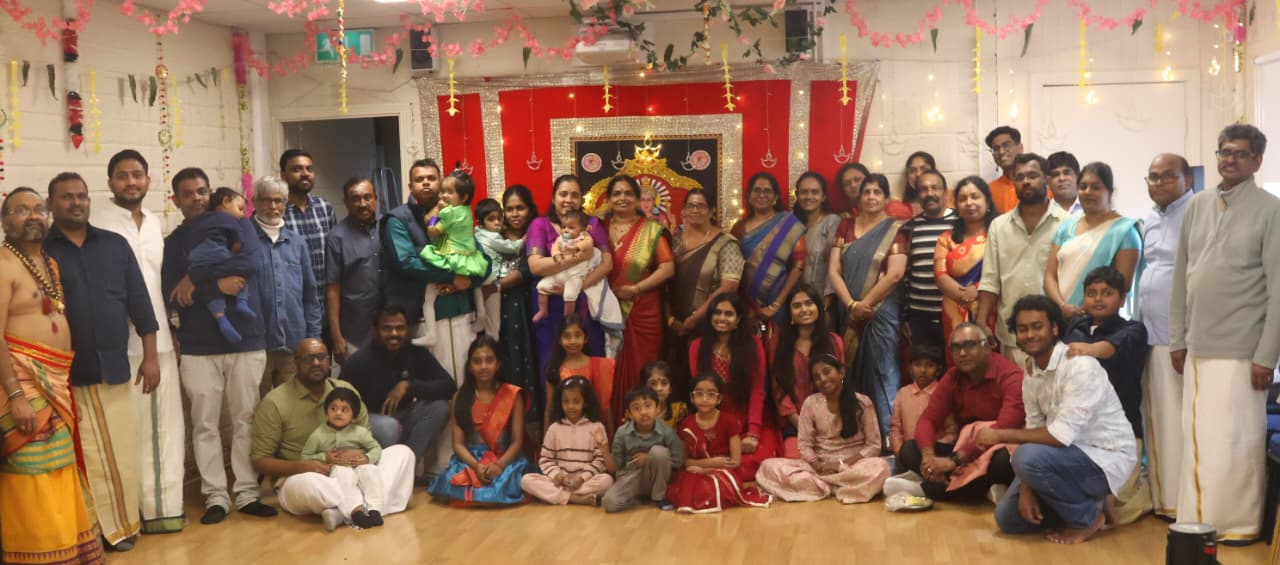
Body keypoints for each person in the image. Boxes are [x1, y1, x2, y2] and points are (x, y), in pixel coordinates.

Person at [1170, 124, 1278, 543]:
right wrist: (1178, 338)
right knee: (1198, 439)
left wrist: (1266, 356)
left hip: (1242, 350)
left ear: (1257, 161)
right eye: (1224, 151)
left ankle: (1236, 525)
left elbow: (1279, 290)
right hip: (1197, 346)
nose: (1229, 159)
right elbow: (1182, 277)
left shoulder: (1271, 210)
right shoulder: (1198, 204)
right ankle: (1197, 522)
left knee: (1234, 442)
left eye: (1239, 153)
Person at [43, 173, 160, 552]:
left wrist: (151, 357)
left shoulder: (114, 245)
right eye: (66, 197)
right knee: (88, 456)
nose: (76, 203)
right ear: (51, 203)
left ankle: (124, 525)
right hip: (66, 374)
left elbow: (140, 303)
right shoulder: (41, 251)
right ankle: (95, 532)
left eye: (81, 196)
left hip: (114, 366)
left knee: (123, 452)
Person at [162, 168, 276, 524]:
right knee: (205, 424)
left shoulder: (239, 224)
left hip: (246, 340)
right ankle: (215, 496)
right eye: (187, 193)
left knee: (245, 419)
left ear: (210, 193)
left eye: (201, 191)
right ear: (176, 200)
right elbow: (173, 294)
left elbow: (250, 262)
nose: (196, 198)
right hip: (198, 346)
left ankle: (247, 492)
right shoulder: (175, 242)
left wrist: (195, 276)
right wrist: (216, 287)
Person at [0, 187, 106, 564]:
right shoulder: (3, 264)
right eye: (21, 210)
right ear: (5, 221)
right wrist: (14, 394)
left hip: (55, 380)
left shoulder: (49, 262)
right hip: (21, 381)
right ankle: (36, 553)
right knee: (32, 467)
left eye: (37, 209)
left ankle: (65, 548)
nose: (32, 215)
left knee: (60, 464)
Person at [989, 295, 1137, 545]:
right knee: (1009, 520)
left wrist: (1001, 435)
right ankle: (1090, 503)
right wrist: (1026, 486)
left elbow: (1058, 436)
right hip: (1063, 457)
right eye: (1023, 329)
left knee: (1026, 456)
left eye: (1037, 327)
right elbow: (1035, 428)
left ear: (1054, 328)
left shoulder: (1079, 366)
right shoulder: (1031, 370)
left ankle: (1087, 518)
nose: (1030, 335)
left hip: (1104, 458)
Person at [95, 150, 185, 533]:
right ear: (110, 182)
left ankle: (164, 510)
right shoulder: (99, 222)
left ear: (148, 180)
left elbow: (159, 282)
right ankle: (127, 515)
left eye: (137, 175)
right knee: (128, 432)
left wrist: (172, 330)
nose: (130, 182)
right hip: (119, 346)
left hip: (160, 341)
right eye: (122, 175)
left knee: (165, 431)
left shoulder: (155, 221)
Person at [381, 159, 489, 471]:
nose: (427, 183)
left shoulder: (456, 214)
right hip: (424, 321)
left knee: (467, 386)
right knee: (435, 392)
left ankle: (469, 459)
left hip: (462, 316)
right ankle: (435, 466)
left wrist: (466, 280)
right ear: (410, 185)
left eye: (432, 178)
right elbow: (406, 262)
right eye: (420, 179)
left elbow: (483, 262)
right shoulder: (397, 220)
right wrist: (454, 275)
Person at [250, 339, 415, 527]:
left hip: (354, 470)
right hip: (302, 477)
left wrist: (360, 454)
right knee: (313, 487)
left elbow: (366, 440)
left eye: (321, 357)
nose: (315, 363)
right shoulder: (275, 402)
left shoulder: (345, 391)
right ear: (294, 364)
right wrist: (303, 466)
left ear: (329, 362)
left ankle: (341, 514)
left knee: (403, 454)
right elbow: (260, 461)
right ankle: (371, 506)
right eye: (308, 358)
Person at [896, 323, 1024, 502]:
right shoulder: (953, 376)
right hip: (963, 449)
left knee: (1004, 459)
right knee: (909, 449)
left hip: (994, 446)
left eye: (969, 345)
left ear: (987, 346)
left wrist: (953, 461)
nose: (962, 353)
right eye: (956, 348)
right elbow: (928, 420)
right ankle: (975, 489)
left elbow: (1003, 428)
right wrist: (929, 457)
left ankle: (932, 489)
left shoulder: (1011, 376)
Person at [1062, 266, 1150, 525]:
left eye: (1107, 293)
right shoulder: (1075, 325)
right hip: (1079, 430)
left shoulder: (1135, 329)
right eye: (1091, 293)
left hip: (1120, 434)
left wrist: (1085, 350)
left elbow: (1108, 349)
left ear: (1122, 299)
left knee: (1121, 506)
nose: (1098, 299)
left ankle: (1145, 495)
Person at [1134, 152, 1195, 519]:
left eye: (1167, 176)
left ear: (1188, 179)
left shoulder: (1198, 212)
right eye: (1153, 177)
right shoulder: (1150, 218)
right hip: (1150, 334)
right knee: (1158, 420)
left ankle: (1184, 501)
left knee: (1182, 421)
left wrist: (1181, 336)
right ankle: (1164, 499)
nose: (1158, 183)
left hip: (1182, 337)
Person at [828, 174, 908, 439]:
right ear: (859, 198)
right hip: (849, 311)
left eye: (877, 192)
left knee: (883, 371)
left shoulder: (895, 229)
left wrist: (865, 304)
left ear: (886, 198)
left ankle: (889, 438)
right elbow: (833, 271)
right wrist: (852, 305)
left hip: (880, 311)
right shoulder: (845, 226)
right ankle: (858, 436)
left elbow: (895, 274)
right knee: (850, 372)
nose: (872, 197)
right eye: (867, 192)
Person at [756, 354, 891, 504]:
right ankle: (838, 486)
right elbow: (804, 444)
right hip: (819, 469)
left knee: (881, 467)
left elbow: (873, 446)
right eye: (817, 377)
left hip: (853, 466)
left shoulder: (862, 402)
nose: (823, 379)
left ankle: (824, 487)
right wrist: (818, 466)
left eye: (826, 371)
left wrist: (841, 465)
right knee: (767, 466)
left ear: (841, 372)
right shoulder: (811, 403)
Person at [975, 153, 1070, 361]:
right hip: (1012, 336)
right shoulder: (998, 226)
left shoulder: (1068, 224)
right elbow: (990, 280)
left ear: (1046, 179)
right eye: (1020, 177)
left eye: (1032, 175)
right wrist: (981, 321)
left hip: (1056, 335)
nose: (1026, 181)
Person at [339, 306, 454, 462]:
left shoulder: (415, 353)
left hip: (403, 415)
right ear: (375, 330)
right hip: (369, 422)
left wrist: (409, 386)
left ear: (408, 330)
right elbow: (339, 401)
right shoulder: (359, 361)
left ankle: (407, 466)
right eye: (387, 328)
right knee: (389, 426)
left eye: (400, 328)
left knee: (440, 407)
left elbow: (449, 386)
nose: (394, 334)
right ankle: (386, 469)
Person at [427, 336, 531, 506]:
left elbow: (517, 441)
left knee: (510, 483)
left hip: (504, 458)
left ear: (498, 364)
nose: (483, 366)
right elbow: (458, 445)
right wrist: (477, 466)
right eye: (477, 361)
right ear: (470, 366)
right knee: (453, 481)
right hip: (471, 460)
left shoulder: (513, 395)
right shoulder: (461, 397)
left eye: (489, 360)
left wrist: (499, 466)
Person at [604, 174, 675, 418]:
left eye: (628, 193)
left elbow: (668, 267)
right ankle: (616, 426)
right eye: (616, 193)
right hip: (606, 313)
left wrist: (635, 289)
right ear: (609, 199)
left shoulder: (651, 230)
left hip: (643, 311)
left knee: (643, 370)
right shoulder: (598, 228)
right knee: (611, 370)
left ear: (637, 199)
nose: (622, 198)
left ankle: (647, 425)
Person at [527, 174, 614, 370]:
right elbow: (536, 266)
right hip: (550, 304)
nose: (569, 199)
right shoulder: (540, 225)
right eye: (563, 194)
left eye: (575, 195)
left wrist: (578, 287)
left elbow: (607, 263)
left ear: (581, 199)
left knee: (589, 362)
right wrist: (579, 257)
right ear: (553, 198)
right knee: (552, 364)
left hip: (584, 302)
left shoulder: (592, 224)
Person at [689, 293, 780, 478]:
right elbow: (701, 393)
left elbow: (757, 391)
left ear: (738, 319)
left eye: (728, 314)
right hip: (713, 421)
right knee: (709, 458)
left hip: (747, 419)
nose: (722, 318)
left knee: (758, 463)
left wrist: (753, 433)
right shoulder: (697, 347)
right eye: (717, 313)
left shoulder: (753, 345)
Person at [667, 188, 743, 394]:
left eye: (701, 206)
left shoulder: (726, 244)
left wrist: (696, 317)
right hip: (674, 325)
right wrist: (670, 319)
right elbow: (664, 281)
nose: (695, 210)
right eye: (690, 206)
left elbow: (729, 286)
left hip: (710, 325)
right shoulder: (675, 240)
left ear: (712, 211)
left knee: (703, 381)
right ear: (683, 211)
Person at [251, 177, 322, 395]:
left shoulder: (297, 243)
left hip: (294, 346)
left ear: (285, 203)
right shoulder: (243, 240)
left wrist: (313, 339)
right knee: (257, 409)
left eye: (278, 200)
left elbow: (310, 297)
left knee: (295, 407)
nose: (273, 206)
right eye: (266, 200)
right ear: (254, 201)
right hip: (256, 348)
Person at [1043, 162, 1141, 320]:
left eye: (1096, 187)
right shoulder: (1067, 227)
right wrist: (1062, 306)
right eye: (1083, 187)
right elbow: (1049, 275)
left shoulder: (1125, 231)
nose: (1088, 192)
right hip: (1060, 316)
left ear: (1110, 192)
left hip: (1101, 322)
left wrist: (1083, 312)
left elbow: (1123, 286)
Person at [665, 373, 773, 513]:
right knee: (688, 483)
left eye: (711, 394)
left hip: (722, 470)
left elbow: (735, 461)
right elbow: (686, 462)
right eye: (699, 394)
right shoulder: (687, 424)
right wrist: (709, 464)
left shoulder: (729, 421)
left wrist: (707, 469)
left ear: (719, 398)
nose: (705, 399)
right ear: (692, 397)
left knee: (715, 486)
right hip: (696, 471)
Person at [412, 171, 489, 348]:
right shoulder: (466, 211)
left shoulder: (448, 212)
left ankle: (431, 334)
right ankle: (482, 315)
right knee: (475, 281)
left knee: (429, 295)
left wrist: (436, 214)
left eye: (449, 191)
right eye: (443, 191)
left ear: (464, 197)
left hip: (451, 256)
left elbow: (432, 231)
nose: (444, 195)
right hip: (468, 255)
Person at [768, 284, 843, 458]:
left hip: (832, 422)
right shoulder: (777, 344)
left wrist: (827, 424)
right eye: (797, 306)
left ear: (818, 307)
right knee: (797, 462)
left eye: (809, 303)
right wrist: (802, 424)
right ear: (790, 313)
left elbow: (839, 385)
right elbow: (779, 391)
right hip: (794, 424)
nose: (804, 310)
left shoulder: (834, 342)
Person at [520, 377, 615, 506]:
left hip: (585, 481)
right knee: (526, 480)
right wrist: (557, 475)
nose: (570, 406)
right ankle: (576, 499)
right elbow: (545, 459)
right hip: (560, 482)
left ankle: (558, 496)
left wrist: (581, 479)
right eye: (566, 401)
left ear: (585, 402)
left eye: (576, 401)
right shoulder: (554, 428)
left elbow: (600, 460)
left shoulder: (596, 427)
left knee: (607, 481)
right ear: (560, 403)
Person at [933, 176, 999, 364]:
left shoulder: (998, 234)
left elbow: (1003, 271)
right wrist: (966, 297)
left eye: (975, 197)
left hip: (990, 306)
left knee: (990, 362)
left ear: (987, 202)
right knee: (958, 360)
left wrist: (977, 289)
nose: (969, 203)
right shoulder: (946, 238)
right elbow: (940, 276)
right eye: (962, 199)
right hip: (954, 308)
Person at [300, 388, 386, 530]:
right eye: (333, 409)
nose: (338, 413)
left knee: (370, 470)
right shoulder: (318, 435)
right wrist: (324, 457)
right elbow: (305, 457)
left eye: (344, 410)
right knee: (343, 474)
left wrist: (366, 458)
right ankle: (356, 513)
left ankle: (375, 511)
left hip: (358, 467)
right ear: (326, 412)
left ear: (354, 416)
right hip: (335, 472)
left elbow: (376, 448)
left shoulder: (360, 432)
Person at [732, 171, 807, 327]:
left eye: (767, 191)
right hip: (745, 302)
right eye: (757, 190)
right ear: (749, 195)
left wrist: (776, 305)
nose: (762, 195)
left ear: (775, 197)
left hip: (778, 299)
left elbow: (799, 266)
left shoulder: (789, 224)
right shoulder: (738, 228)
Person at [188, 188, 259, 344]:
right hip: (218, 254)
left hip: (197, 259)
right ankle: (242, 301)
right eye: (240, 208)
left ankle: (220, 317)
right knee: (241, 272)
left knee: (209, 287)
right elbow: (239, 247)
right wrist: (233, 253)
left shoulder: (200, 220)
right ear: (226, 201)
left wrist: (196, 272)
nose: (242, 214)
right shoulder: (232, 221)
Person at [496, 186, 540, 426]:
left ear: (530, 209)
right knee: (507, 360)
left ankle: (532, 427)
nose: (514, 214)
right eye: (510, 209)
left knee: (531, 359)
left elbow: (526, 271)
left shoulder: (537, 233)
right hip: (500, 310)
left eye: (520, 208)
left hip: (531, 306)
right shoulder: (495, 235)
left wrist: (493, 287)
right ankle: (506, 429)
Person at [325, 177, 382, 364]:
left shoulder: (389, 227)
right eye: (356, 199)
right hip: (355, 330)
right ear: (346, 202)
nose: (363, 204)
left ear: (376, 199)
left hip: (390, 326)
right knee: (357, 380)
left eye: (367, 197)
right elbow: (332, 290)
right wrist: (336, 337)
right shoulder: (336, 237)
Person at [603, 387, 685, 513]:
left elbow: (678, 460)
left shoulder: (666, 431)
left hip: (657, 479)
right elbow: (615, 467)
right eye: (637, 408)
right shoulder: (622, 432)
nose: (643, 412)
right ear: (629, 414)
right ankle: (638, 497)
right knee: (610, 503)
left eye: (648, 406)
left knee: (659, 452)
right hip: (631, 477)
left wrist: (650, 459)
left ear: (657, 409)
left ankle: (658, 497)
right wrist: (604, 451)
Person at [905, 169, 958, 352]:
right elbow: (907, 274)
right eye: (923, 189)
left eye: (935, 188)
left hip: (955, 314)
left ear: (945, 192)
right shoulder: (910, 227)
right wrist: (906, 316)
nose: (930, 193)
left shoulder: (960, 222)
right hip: (920, 317)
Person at [280, 149, 335, 313]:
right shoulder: (275, 212)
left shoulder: (324, 207)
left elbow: (334, 256)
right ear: (283, 175)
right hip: (290, 308)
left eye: (309, 169)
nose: (305, 174)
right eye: (296, 169)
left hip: (325, 306)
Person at [543, 314, 615, 431]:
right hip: (565, 430)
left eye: (577, 335)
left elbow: (606, 407)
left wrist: (611, 436)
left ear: (585, 338)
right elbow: (550, 408)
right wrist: (546, 437)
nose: (573, 341)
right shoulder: (554, 369)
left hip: (593, 430)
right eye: (567, 336)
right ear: (560, 340)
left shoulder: (601, 366)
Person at [888, 344, 956, 460]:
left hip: (936, 455)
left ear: (938, 370)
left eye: (929, 365)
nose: (923, 370)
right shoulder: (902, 394)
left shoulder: (943, 392)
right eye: (917, 365)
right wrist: (901, 452)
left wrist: (935, 452)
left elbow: (951, 430)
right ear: (910, 368)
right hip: (907, 454)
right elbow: (895, 429)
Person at [532, 209, 598, 322]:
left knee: (570, 295)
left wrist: (577, 247)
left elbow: (588, 245)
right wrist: (556, 255)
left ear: (582, 229)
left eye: (571, 227)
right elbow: (555, 247)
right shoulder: (562, 238)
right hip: (559, 273)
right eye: (564, 227)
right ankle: (543, 310)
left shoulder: (584, 237)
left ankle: (568, 317)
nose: (566, 230)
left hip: (575, 275)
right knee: (542, 286)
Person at [793, 172, 842, 319]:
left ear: (823, 196)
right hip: (797, 303)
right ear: (797, 195)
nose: (809, 196)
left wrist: (826, 306)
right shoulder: (793, 226)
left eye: (815, 192)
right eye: (804, 192)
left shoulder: (832, 222)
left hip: (823, 302)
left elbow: (834, 266)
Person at [474, 198, 523, 337]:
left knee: (481, 315)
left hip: (477, 280)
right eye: (491, 219)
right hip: (490, 281)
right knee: (493, 323)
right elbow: (512, 248)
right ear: (481, 222)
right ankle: (492, 344)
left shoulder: (477, 233)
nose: (497, 222)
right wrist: (525, 238)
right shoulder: (492, 237)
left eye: (499, 218)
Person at [984, 126, 1024, 213]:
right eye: (996, 148)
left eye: (1006, 145)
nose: (1001, 151)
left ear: (1020, 148)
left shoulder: (1039, 183)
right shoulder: (990, 190)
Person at [643, 361, 687, 429]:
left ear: (670, 389)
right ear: (644, 388)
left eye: (664, 383)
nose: (659, 388)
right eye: (653, 384)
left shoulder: (679, 411)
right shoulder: (637, 411)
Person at [896, 151, 937, 219]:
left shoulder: (947, 201)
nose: (918, 174)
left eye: (924, 169)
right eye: (912, 170)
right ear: (907, 177)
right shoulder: (900, 210)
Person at [1047, 151, 1083, 215]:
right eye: (1055, 175)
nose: (1062, 178)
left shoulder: (1093, 208)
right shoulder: (1042, 212)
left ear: (1078, 177)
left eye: (1067, 173)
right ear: (1048, 182)